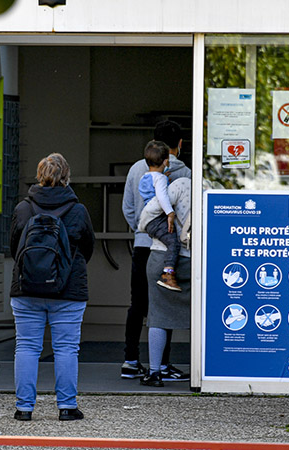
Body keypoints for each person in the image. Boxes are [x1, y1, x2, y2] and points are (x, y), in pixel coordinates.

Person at [8, 153, 95, 422]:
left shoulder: (23, 208)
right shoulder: (78, 210)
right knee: (67, 348)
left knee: (26, 347)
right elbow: (88, 248)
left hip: (27, 289)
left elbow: (14, 248)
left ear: (39, 176)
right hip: (68, 291)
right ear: (67, 177)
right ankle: (67, 407)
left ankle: (24, 408)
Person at [120, 119, 191, 381]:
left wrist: (143, 230)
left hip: (142, 245)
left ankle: (130, 359)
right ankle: (163, 364)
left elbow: (128, 207)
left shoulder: (136, 169)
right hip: (167, 248)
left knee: (137, 303)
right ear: (180, 144)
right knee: (164, 306)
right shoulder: (184, 172)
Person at [138, 177, 192, 387]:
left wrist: (146, 226)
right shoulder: (208, 190)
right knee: (198, 318)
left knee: (159, 316)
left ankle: (154, 373)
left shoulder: (180, 183)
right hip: (193, 261)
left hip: (162, 258)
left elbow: (148, 211)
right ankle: (203, 371)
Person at [138, 140, 182, 292]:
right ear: (166, 161)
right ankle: (168, 274)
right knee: (173, 243)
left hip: (148, 221)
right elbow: (162, 197)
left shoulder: (145, 177)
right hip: (157, 219)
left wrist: (164, 177)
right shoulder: (160, 179)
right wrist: (170, 213)